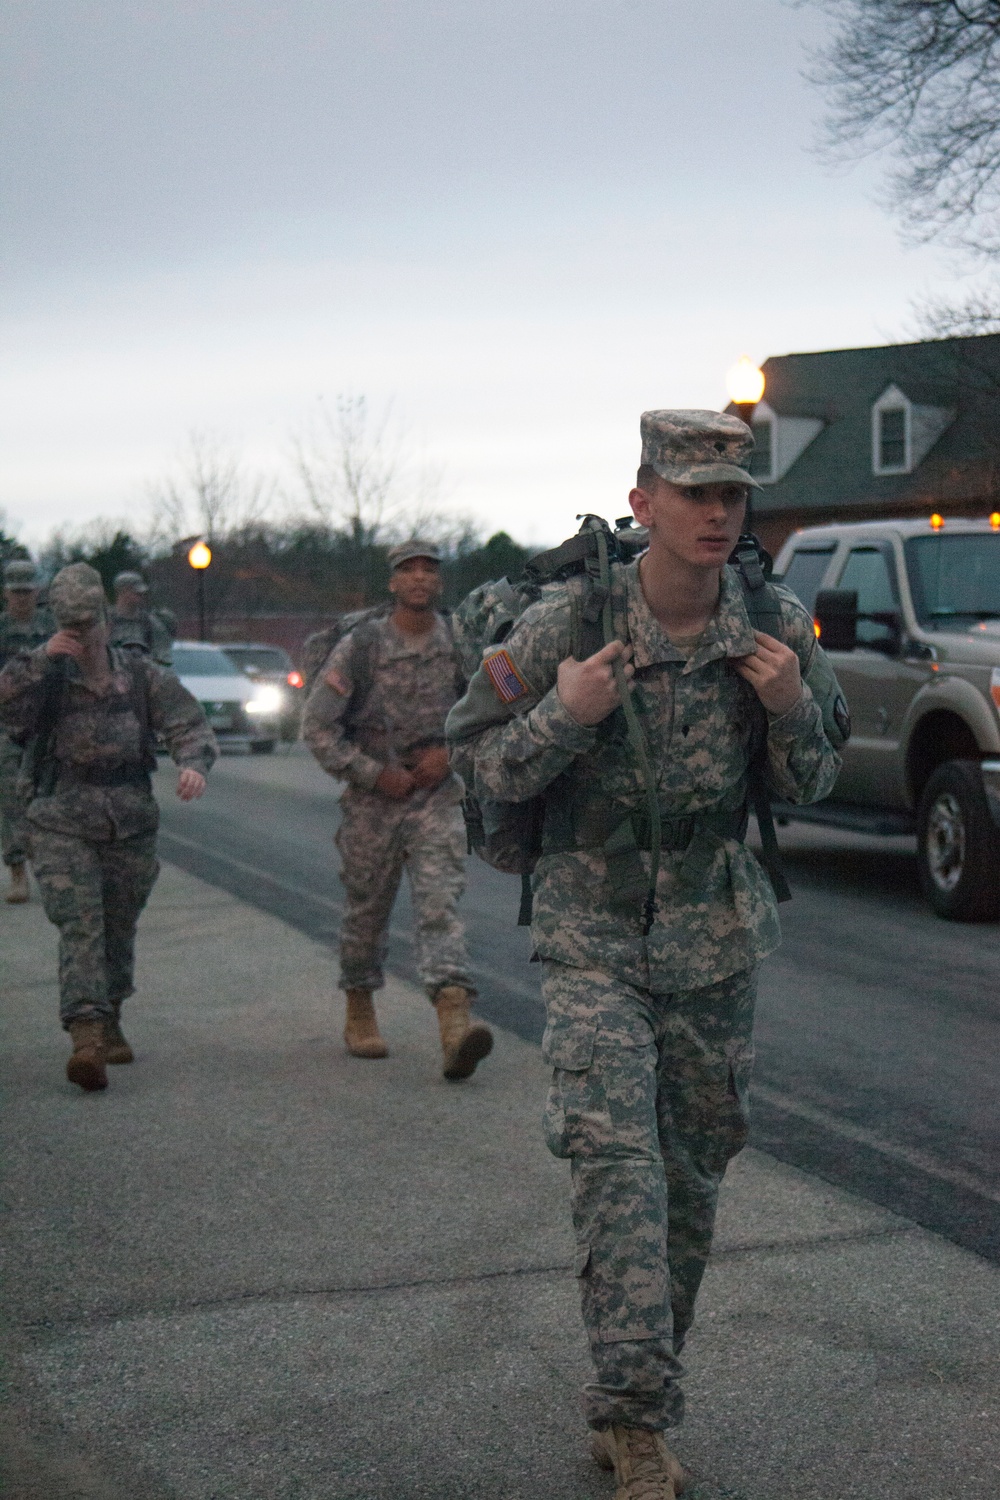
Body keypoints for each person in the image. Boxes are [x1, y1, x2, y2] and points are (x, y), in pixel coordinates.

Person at [446, 411, 843, 1499]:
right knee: (617, 1170)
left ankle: (639, 1388)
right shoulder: (563, 625)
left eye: (731, 493)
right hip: (590, 933)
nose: (717, 512)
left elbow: (814, 782)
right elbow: (477, 768)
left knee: (690, 1177)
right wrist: (563, 718)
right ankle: (632, 1420)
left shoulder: (773, 624)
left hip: (716, 938)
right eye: (693, 491)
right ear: (642, 504)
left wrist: (788, 703)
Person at [0, 563, 216, 1092]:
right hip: (59, 816)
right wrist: (40, 663)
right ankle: (87, 1037)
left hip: (129, 817)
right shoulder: (40, 674)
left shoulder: (138, 674)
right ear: (57, 623)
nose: (81, 636)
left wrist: (192, 762)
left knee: (119, 924)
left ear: (104, 619)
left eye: (88, 624)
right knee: (81, 923)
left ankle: (111, 1011)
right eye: (69, 626)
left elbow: (188, 722)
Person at [302, 541, 492, 1080]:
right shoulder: (361, 646)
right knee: (367, 912)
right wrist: (371, 773)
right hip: (372, 803)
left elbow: (490, 712)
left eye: (429, 569)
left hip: (436, 798)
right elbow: (316, 728)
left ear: (439, 580)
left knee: (440, 904)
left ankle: (455, 1025)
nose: (419, 578)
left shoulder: (460, 642)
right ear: (392, 582)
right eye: (408, 569)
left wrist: (449, 755)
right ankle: (359, 1006)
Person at [0, 559, 56, 903]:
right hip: (7, 727)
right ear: (6, 592)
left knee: (49, 798)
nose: (22, 597)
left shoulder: (52, 629)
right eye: (16, 591)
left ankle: (51, 870)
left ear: (37, 590)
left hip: (46, 724)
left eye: (27, 590)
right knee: (10, 801)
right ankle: (17, 870)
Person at [108, 570, 174, 665]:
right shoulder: (105, 621)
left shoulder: (151, 623)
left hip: (144, 675)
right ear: (123, 591)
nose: (141, 595)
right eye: (135, 592)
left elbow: (164, 657)